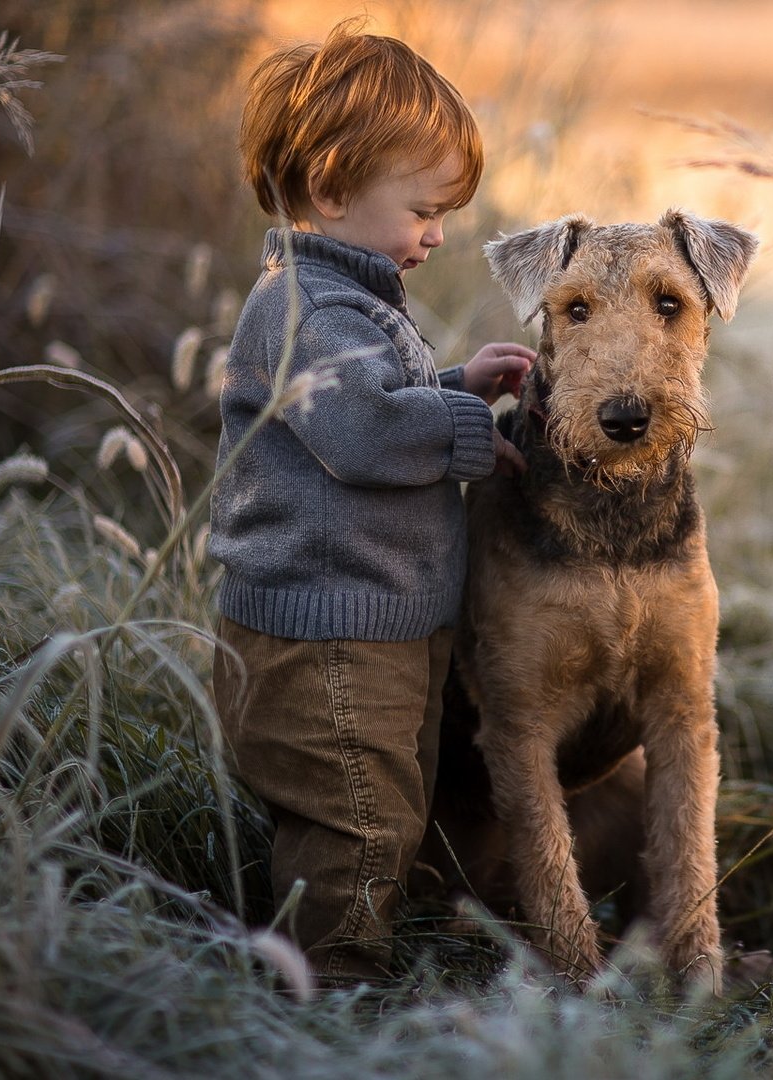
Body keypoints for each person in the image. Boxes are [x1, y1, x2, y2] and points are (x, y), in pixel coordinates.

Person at [207, 19, 532, 984]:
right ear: (335, 186)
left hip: (373, 622)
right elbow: (357, 435)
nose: (438, 233)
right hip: (327, 638)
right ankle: (329, 990)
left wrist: (454, 382)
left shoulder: (348, 297)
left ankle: (371, 942)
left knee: (391, 801)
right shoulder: (301, 305)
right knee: (357, 815)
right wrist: (472, 436)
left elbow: (370, 408)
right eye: (425, 209)